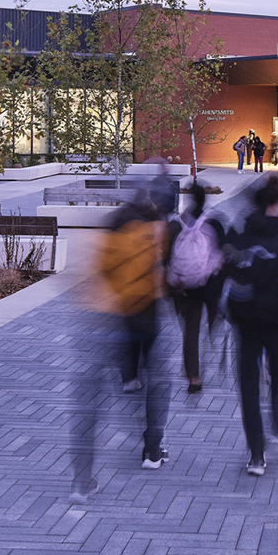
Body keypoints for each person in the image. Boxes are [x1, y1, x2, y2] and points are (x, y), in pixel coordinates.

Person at [71, 194, 170, 500]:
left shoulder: (108, 234)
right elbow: (166, 275)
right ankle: (152, 450)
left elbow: (88, 279)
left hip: (107, 321)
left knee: (88, 407)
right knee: (159, 384)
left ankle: (82, 482)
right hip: (146, 320)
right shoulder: (153, 234)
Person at [222, 173, 278, 476]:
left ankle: (256, 455)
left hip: (246, 322)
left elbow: (223, 271)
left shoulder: (238, 232)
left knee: (248, 384)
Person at [166, 181, 226, 394]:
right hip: (208, 287)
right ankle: (211, 343)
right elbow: (225, 256)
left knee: (190, 331)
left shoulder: (176, 224)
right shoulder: (215, 223)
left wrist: (171, 286)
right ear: (204, 199)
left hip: (184, 288)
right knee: (212, 323)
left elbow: (165, 258)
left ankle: (194, 378)